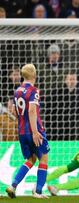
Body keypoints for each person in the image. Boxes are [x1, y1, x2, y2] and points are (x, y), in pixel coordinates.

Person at [5, 64, 50, 199]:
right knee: (44, 157)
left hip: (22, 131)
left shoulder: (17, 91)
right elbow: (31, 110)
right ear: (34, 75)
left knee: (31, 159)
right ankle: (38, 191)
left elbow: (14, 111)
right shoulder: (34, 91)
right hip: (33, 130)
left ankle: (13, 185)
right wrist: (35, 132)